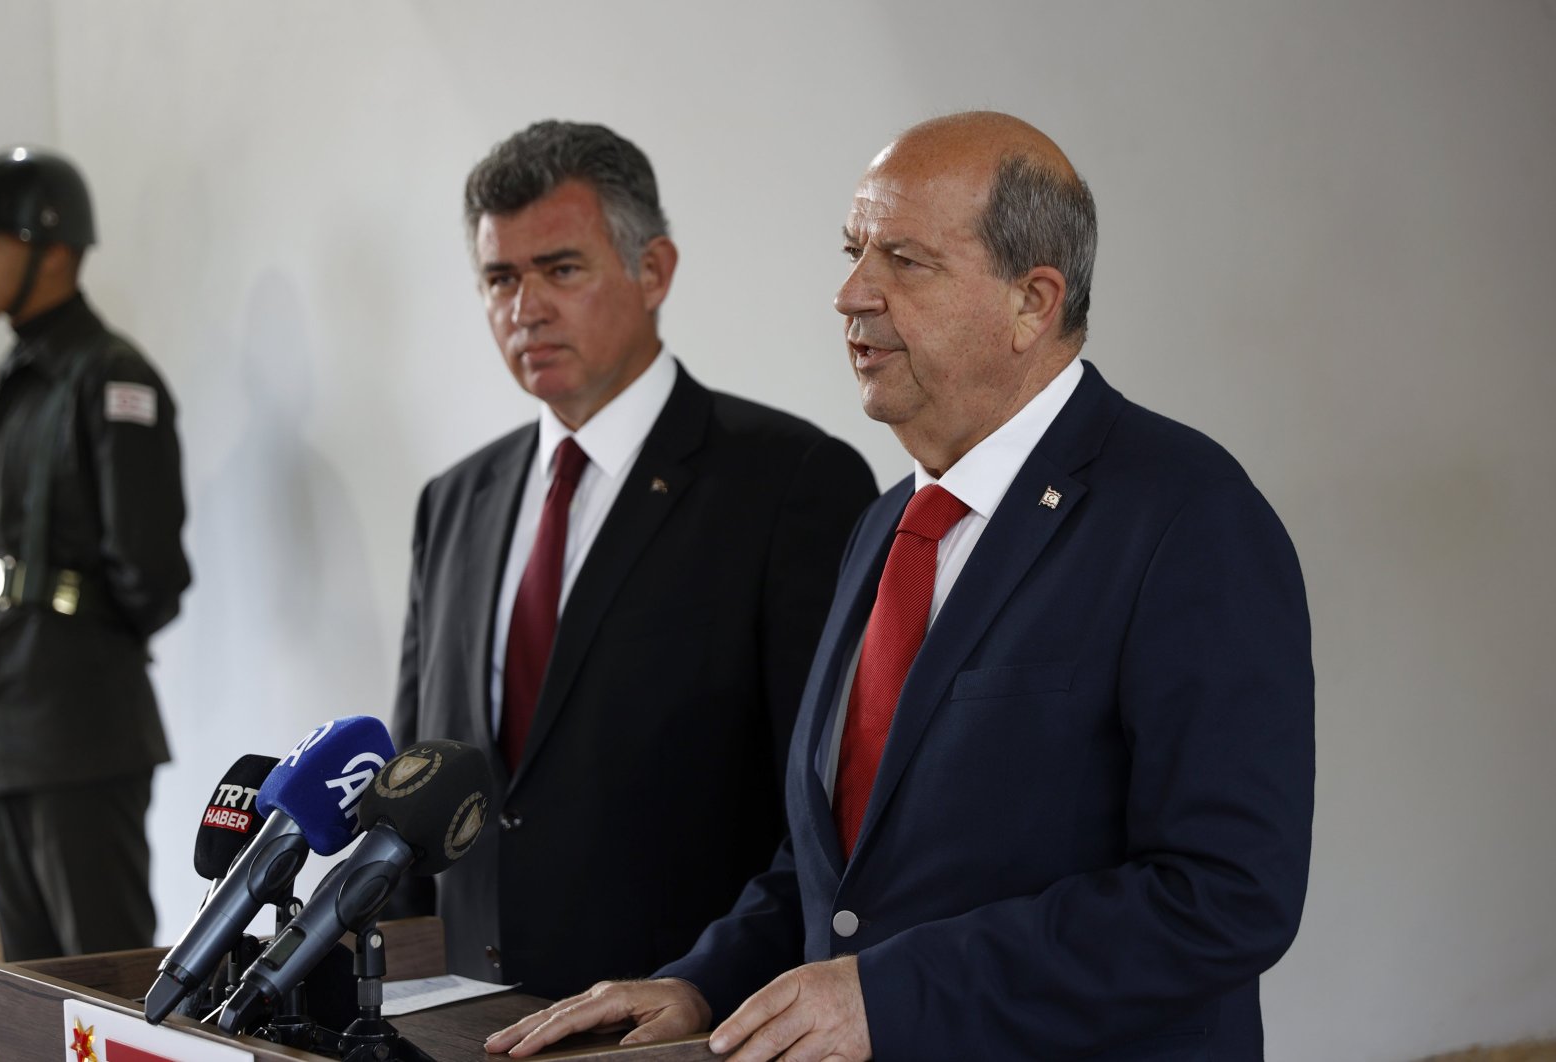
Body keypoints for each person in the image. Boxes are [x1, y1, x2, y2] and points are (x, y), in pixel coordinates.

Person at [485, 112, 1315, 1061]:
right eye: (853, 251)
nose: (849, 293)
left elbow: (1225, 896)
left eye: (904, 262)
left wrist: (893, 995)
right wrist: (702, 985)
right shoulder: (884, 527)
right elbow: (830, 870)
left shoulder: (1188, 516)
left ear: (1032, 302)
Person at [390, 120, 878, 1000]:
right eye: (500, 278)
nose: (524, 308)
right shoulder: (453, 501)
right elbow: (418, 790)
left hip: (684, 1021)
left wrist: (713, 986)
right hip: (467, 1020)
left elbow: (824, 813)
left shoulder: (791, 482)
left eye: (561, 269)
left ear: (653, 271)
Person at [0, 146, 189, 961]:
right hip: (5, 718)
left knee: (105, 978)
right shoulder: (10, 383)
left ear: (52, 250)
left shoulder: (113, 378)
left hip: (82, 725)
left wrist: (72, 645)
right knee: (30, 986)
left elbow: (150, 572)